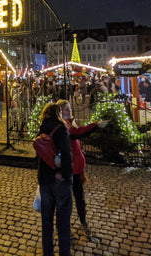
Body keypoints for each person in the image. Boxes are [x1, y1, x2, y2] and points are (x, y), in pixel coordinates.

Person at [56, 99, 107, 237]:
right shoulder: (64, 127)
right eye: (67, 109)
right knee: (68, 201)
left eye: (70, 108)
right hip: (69, 169)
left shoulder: (69, 123)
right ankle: (65, 228)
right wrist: (95, 125)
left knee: (79, 199)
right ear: (60, 112)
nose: (70, 111)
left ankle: (83, 222)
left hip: (77, 168)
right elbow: (79, 132)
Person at [37, 103, 72, 256]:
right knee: (63, 222)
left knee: (46, 222)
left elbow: (39, 156)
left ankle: (48, 252)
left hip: (45, 179)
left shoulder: (42, 129)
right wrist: (66, 175)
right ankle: (64, 252)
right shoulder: (61, 129)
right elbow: (66, 154)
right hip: (59, 179)